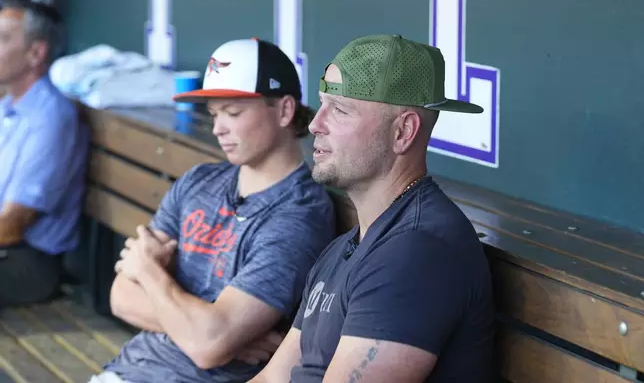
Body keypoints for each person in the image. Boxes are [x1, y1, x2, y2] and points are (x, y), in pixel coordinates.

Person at [249, 34, 496, 382]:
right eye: (322, 105)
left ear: (403, 132)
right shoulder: (347, 248)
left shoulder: (416, 253)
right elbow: (271, 378)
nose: (315, 124)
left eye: (340, 109)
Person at [90, 37, 337, 383]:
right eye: (215, 113)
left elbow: (208, 345)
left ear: (284, 110)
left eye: (233, 113)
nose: (218, 128)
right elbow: (120, 296)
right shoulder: (199, 181)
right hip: (126, 370)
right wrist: (211, 335)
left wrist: (147, 269)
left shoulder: (298, 214)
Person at [0, 0, 89, 306]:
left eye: (3, 38)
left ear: (35, 53)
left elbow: (12, 226)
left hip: (28, 264)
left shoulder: (51, 118)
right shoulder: (7, 106)